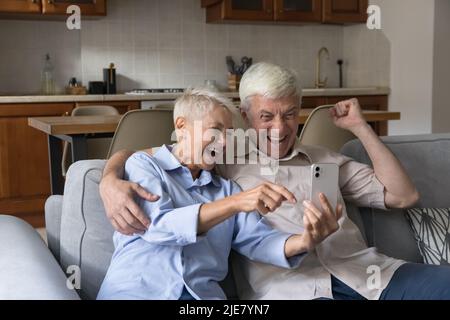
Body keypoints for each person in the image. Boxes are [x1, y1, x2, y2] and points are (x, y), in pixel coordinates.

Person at [100, 63, 450, 300]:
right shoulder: (230, 161)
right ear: (247, 116)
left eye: (289, 115)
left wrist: (361, 127)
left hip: (366, 274)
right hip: (294, 289)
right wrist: (109, 177)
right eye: (266, 117)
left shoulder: (319, 159)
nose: (279, 129)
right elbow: (170, 155)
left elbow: (404, 195)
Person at [97, 88, 329, 300]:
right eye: (216, 130)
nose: (225, 142)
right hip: (135, 294)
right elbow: (158, 225)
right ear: (181, 127)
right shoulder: (145, 166)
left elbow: (259, 240)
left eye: (229, 134)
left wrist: (303, 241)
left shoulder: (225, 189)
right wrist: (236, 203)